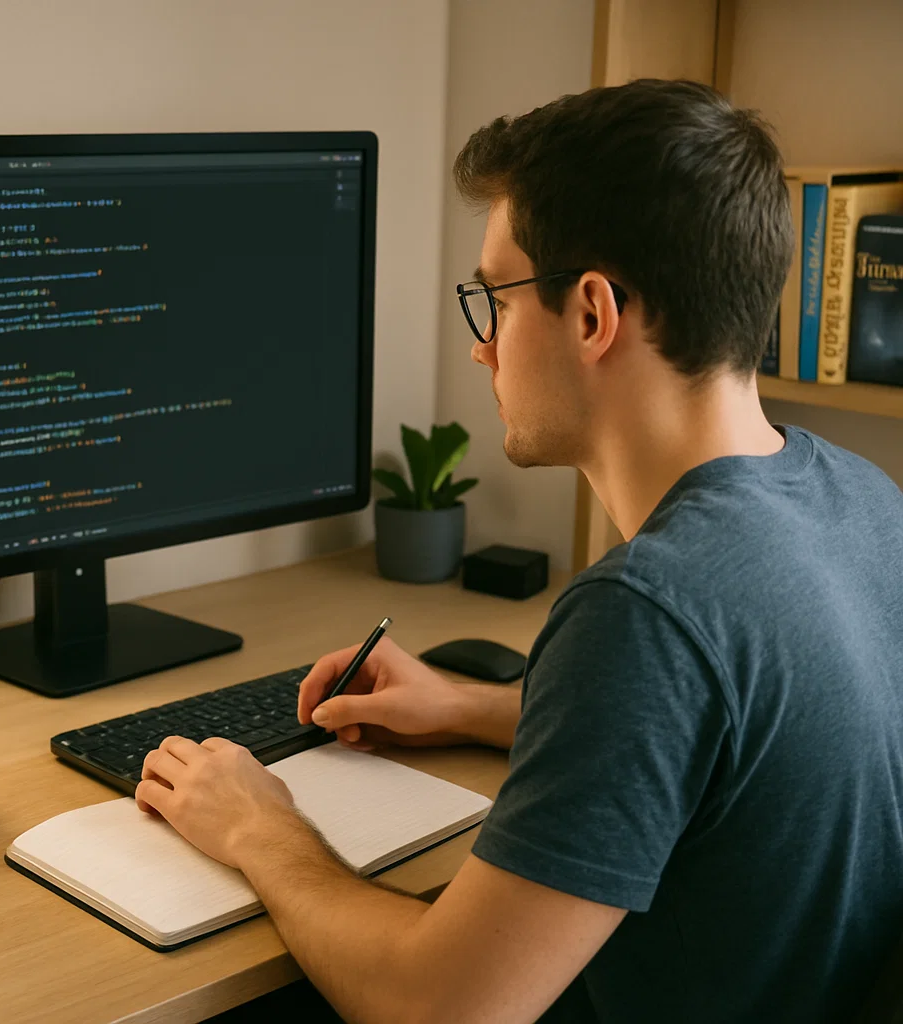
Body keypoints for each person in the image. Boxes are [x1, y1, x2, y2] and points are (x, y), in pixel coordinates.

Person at [134, 79, 903, 1023]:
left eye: (491, 298)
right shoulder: (862, 500)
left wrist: (261, 827)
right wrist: (475, 705)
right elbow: (732, 746)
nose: (483, 349)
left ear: (591, 314)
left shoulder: (647, 610)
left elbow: (440, 1007)